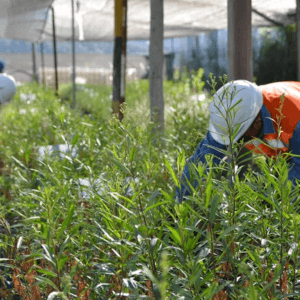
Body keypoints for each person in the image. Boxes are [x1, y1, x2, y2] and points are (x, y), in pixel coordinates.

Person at [176, 80, 300, 201]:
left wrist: (273, 204)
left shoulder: (291, 116)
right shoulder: (234, 117)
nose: (235, 142)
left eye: (240, 136)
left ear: (256, 123)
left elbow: (297, 174)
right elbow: (201, 161)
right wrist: (179, 202)